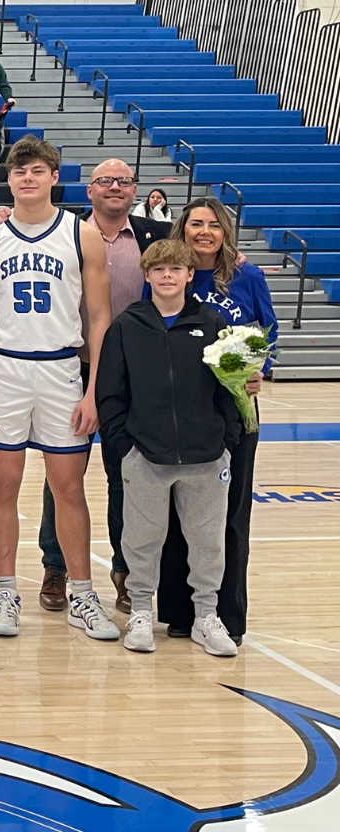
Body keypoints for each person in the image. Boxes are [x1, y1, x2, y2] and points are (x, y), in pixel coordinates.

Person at [0, 136, 117, 642]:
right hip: (3, 370)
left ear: (54, 177)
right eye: (19, 171)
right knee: (3, 485)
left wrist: (94, 389)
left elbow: (98, 318)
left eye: (37, 170)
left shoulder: (82, 236)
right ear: (8, 180)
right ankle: (6, 592)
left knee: (69, 488)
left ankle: (83, 594)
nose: (27, 178)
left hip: (60, 370)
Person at [6, 159, 173, 615]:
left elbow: (190, 269)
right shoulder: (66, 233)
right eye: (105, 181)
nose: (115, 187)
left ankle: (126, 572)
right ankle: (56, 568)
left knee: (129, 476)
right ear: (90, 190)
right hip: (71, 367)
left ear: (135, 190)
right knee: (61, 474)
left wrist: (229, 257)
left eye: (124, 181)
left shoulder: (157, 237)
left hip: (136, 374)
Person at [98, 238, 243, 658]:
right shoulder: (128, 325)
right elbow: (111, 392)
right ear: (146, 275)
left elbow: (228, 389)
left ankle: (206, 616)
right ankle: (140, 610)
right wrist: (125, 447)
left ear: (188, 275)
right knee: (142, 539)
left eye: (175, 269)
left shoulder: (212, 324)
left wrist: (225, 440)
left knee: (208, 542)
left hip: (206, 456)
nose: (166, 276)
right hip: (145, 455)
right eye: (158, 269)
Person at [154, 198, 275, 647]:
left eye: (213, 226)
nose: (204, 232)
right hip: (180, 409)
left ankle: (228, 613)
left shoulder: (246, 275)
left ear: (225, 232)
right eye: (195, 224)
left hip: (234, 409)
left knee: (230, 516)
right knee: (177, 516)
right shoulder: (168, 272)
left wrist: (259, 367)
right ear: (181, 229)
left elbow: (269, 330)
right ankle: (181, 612)